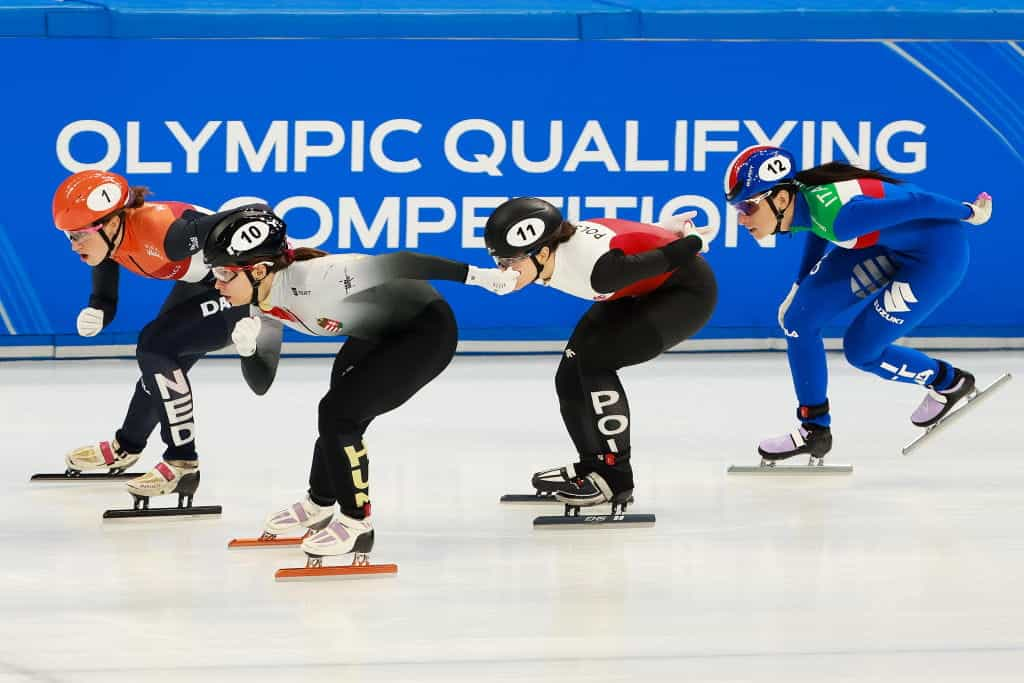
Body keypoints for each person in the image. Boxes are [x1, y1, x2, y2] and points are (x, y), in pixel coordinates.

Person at [202, 205, 516, 561]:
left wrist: (481, 277)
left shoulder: (320, 276)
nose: (217, 283)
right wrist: (248, 350)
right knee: (338, 412)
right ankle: (319, 503)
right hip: (377, 332)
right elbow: (262, 383)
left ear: (258, 270)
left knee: (338, 414)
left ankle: (357, 524)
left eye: (224, 273)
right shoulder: (261, 301)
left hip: (426, 332)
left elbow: (402, 262)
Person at [723, 145, 993, 462]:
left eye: (747, 207)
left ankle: (950, 382)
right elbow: (816, 228)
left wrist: (971, 213)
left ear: (780, 199)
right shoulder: (803, 199)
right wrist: (799, 285)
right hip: (886, 244)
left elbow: (918, 202)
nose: (741, 219)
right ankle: (814, 430)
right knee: (799, 319)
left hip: (936, 256)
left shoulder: (843, 219)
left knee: (862, 351)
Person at [52, 170, 281, 504]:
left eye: (78, 236)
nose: (74, 246)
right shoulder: (108, 240)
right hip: (203, 281)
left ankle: (182, 462)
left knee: (155, 346)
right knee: (158, 366)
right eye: (68, 236)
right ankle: (127, 446)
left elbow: (252, 212)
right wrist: (98, 311)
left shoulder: (165, 233)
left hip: (237, 288)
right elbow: (106, 298)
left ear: (113, 223)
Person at [482, 197, 718, 508]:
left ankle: (616, 477)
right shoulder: (557, 248)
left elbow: (668, 257)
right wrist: (661, 229)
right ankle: (593, 466)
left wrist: (691, 241)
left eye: (510, 263)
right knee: (569, 371)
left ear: (541, 252)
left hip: (686, 294)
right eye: (499, 262)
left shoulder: (596, 271)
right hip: (637, 289)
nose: (503, 271)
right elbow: (625, 235)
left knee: (596, 361)